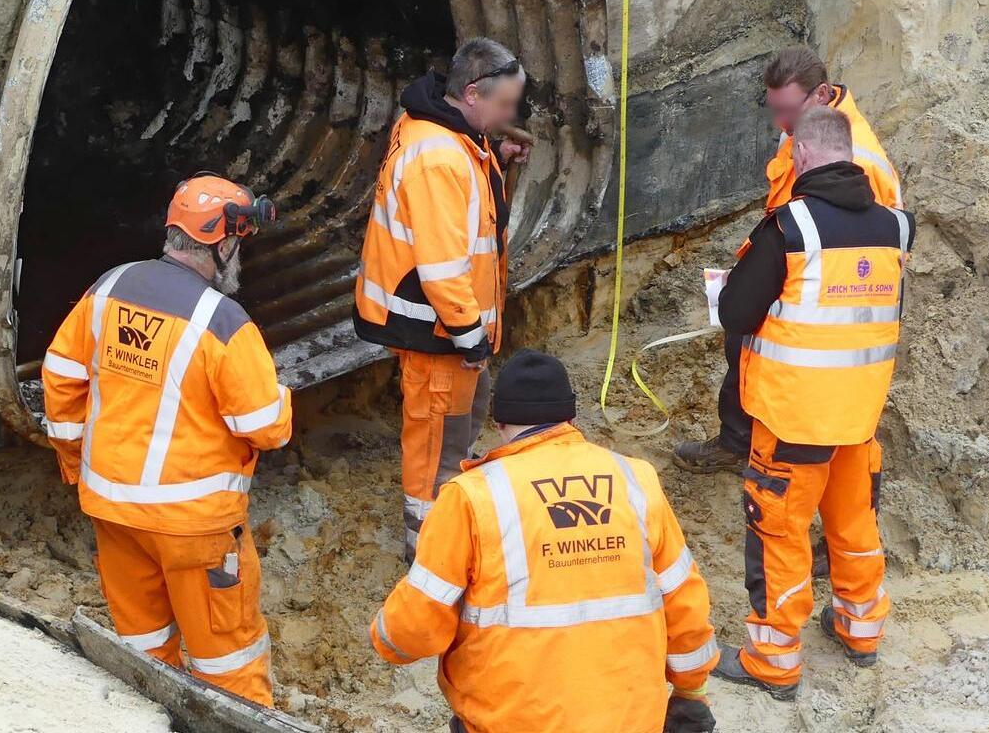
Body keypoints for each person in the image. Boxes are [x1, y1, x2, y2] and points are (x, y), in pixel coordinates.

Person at [39, 175, 291, 707]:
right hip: (194, 529)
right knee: (228, 665)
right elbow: (266, 428)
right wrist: (280, 394)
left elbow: (60, 378)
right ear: (223, 244)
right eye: (237, 245)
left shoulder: (108, 289)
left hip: (112, 512)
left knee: (144, 655)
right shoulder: (223, 322)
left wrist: (76, 464)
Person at [370, 350, 719, 733]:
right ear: (570, 417)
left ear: (499, 422)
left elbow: (414, 628)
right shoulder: (636, 480)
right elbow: (684, 602)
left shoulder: (473, 496)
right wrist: (690, 690)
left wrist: (385, 639)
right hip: (632, 720)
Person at [707, 106, 913, 699]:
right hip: (859, 412)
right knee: (853, 524)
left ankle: (773, 661)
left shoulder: (790, 227)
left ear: (799, 157)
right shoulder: (897, 228)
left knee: (780, 533)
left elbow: (736, 313)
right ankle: (860, 630)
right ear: (851, 156)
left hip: (794, 416)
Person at [676, 45, 903, 473]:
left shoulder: (858, 158)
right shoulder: (804, 126)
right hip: (794, 273)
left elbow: (868, 246)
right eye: (773, 110)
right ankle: (738, 442)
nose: (781, 123)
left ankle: (766, 452)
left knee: (786, 380)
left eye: (787, 111)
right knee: (743, 350)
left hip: (824, 298)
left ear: (819, 94)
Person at [354, 37, 529, 559]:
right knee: (436, 445)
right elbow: (443, 268)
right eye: (504, 105)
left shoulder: (442, 126)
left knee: (459, 426)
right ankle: (428, 552)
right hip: (439, 332)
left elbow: (459, 208)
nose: (511, 114)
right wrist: (471, 338)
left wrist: (496, 156)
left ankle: (446, 518)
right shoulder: (440, 160)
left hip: (444, 327)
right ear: (472, 93)